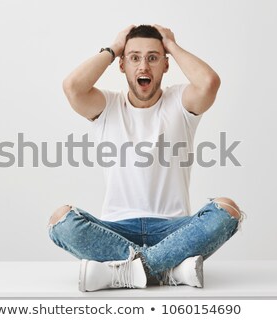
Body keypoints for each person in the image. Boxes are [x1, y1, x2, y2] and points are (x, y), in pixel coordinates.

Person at [48, 24, 244, 292]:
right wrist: (114, 47)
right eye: (134, 58)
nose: (143, 66)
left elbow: (209, 82)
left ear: (165, 65)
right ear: (121, 65)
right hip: (116, 230)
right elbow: (73, 87)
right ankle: (169, 270)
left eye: (153, 58)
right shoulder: (107, 106)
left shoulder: (180, 102)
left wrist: (171, 45)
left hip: (175, 232)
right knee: (62, 220)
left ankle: (122, 272)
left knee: (227, 210)